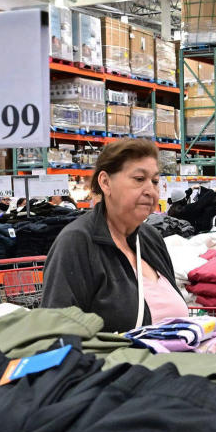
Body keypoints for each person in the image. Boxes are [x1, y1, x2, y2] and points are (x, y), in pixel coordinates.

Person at [41, 138, 183, 332]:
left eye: (155, 181)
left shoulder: (150, 238)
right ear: (105, 182)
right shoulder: (77, 243)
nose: (151, 190)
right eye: (139, 179)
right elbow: (56, 332)